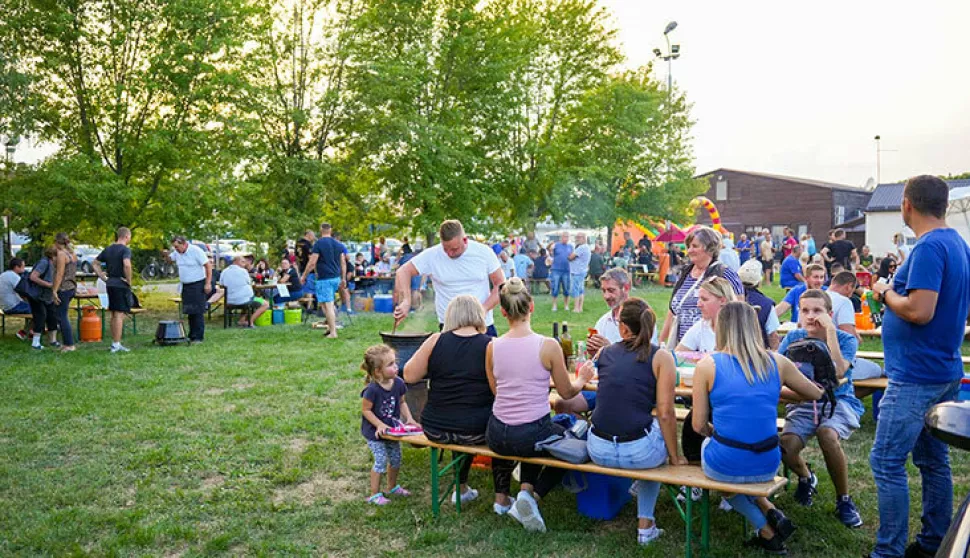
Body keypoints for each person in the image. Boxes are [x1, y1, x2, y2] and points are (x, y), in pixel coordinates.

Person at [869, 175, 970, 558]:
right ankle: (933, 543)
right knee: (932, 458)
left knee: (886, 460)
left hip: (917, 375)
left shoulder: (929, 247)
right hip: (943, 367)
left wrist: (886, 292)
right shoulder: (958, 244)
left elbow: (919, 310)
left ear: (907, 204)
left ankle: (888, 551)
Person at [692, 302, 823, 554]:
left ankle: (765, 529)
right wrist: (776, 391)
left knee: (724, 480)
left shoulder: (707, 365)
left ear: (721, 327)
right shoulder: (777, 362)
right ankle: (771, 509)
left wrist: (715, 435)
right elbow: (814, 393)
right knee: (741, 466)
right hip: (767, 462)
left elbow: (698, 425)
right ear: (754, 327)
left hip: (725, 462)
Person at [486, 278, 594, 532]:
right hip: (530, 433)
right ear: (531, 306)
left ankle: (514, 495)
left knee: (534, 433)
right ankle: (530, 496)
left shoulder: (492, 346)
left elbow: (496, 390)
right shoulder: (547, 345)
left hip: (496, 433)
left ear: (502, 312)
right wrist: (582, 379)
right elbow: (566, 392)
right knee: (566, 441)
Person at [403, 295, 516, 512]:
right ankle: (501, 499)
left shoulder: (436, 340)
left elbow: (409, 374)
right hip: (477, 429)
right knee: (502, 429)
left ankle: (461, 488)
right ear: (478, 315)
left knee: (457, 416)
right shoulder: (491, 345)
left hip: (436, 427)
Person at [587, 298, 684, 546]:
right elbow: (666, 413)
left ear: (622, 328)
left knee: (644, 428)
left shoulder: (605, 353)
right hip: (638, 453)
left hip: (597, 448)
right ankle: (645, 525)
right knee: (656, 439)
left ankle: (635, 488)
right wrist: (675, 457)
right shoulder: (661, 357)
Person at [778, 289, 864, 528]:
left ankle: (844, 499)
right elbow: (774, 369)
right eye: (805, 310)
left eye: (817, 311)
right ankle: (807, 477)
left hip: (838, 401)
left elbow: (837, 372)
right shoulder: (793, 337)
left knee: (827, 434)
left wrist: (830, 333)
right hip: (803, 403)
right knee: (786, 448)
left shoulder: (845, 339)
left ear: (829, 313)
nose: (810, 316)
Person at [393, 220, 505, 336]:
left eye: (454, 249)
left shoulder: (484, 253)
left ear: (465, 240)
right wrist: (406, 301)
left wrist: (484, 309)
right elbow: (403, 272)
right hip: (449, 327)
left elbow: (500, 284)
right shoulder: (433, 255)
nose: (449, 254)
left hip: (482, 325)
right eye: (445, 249)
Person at [553, 268, 632, 416]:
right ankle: (586, 435)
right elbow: (594, 362)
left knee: (604, 411)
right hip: (601, 387)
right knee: (562, 403)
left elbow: (643, 362)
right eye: (603, 291)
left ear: (626, 288)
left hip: (627, 390)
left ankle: (595, 431)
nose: (606, 296)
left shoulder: (639, 320)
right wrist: (592, 354)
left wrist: (609, 349)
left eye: (611, 290)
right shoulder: (603, 321)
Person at [659, 226, 744, 347]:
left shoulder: (724, 273)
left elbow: (739, 311)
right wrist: (661, 341)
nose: (689, 251)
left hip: (712, 347)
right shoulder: (685, 273)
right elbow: (673, 311)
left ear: (709, 248)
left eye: (695, 246)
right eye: (689, 247)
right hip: (683, 348)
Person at [360, 344, 416, 506]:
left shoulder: (398, 383)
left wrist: (410, 419)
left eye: (395, 362)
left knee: (396, 458)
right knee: (381, 460)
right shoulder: (372, 389)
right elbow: (366, 410)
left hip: (392, 430)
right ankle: (374, 494)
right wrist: (378, 425)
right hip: (375, 433)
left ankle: (392, 487)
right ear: (378, 371)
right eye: (390, 364)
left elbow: (402, 402)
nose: (396, 366)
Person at [301, 223, 346, 339]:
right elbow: (343, 262)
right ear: (331, 230)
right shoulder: (338, 244)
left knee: (328, 305)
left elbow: (312, 263)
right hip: (336, 278)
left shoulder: (318, 244)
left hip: (324, 278)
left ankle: (333, 332)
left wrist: (304, 276)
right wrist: (344, 278)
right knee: (324, 304)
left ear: (321, 230)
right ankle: (330, 327)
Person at [93, 227, 133, 353]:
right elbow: (127, 264)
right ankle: (116, 344)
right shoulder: (125, 250)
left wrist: (103, 277)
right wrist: (129, 280)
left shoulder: (108, 249)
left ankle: (116, 341)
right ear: (126, 236)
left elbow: (95, 263)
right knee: (119, 314)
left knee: (114, 313)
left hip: (110, 283)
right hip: (120, 283)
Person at [168, 235, 212, 343]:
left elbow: (208, 266)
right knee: (190, 310)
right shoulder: (177, 253)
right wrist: (166, 255)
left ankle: (198, 336)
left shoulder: (196, 251)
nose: (176, 249)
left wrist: (208, 283)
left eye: (177, 247)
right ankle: (192, 334)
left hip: (197, 283)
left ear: (184, 244)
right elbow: (170, 259)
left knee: (198, 311)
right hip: (186, 285)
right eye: (174, 247)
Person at [675, 277, 737, 353]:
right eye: (699, 299)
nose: (698, 304)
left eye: (704, 299)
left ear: (722, 301)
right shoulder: (702, 326)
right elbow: (678, 355)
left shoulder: (739, 329)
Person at [737, 260, 781, 350]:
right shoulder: (767, 304)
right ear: (759, 281)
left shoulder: (728, 298)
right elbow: (773, 336)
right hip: (759, 354)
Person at [220, 256, 269, 327]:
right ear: (235, 262)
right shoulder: (243, 271)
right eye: (242, 262)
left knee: (247, 299)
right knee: (266, 304)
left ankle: (242, 321)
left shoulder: (224, 271)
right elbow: (249, 282)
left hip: (229, 300)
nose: (244, 264)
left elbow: (221, 284)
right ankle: (250, 322)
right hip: (245, 300)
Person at [27, 246, 59, 350]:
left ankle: (53, 341)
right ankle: (35, 343)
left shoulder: (53, 264)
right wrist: (48, 285)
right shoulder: (44, 263)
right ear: (53, 255)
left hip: (48, 296)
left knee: (52, 317)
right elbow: (33, 276)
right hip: (38, 296)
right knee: (40, 317)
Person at [51, 233, 78, 352]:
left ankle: (69, 344)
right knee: (62, 315)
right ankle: (66, 342)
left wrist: (54, 291)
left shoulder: (62, 254)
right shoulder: (72, 254)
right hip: (72, 287)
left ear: (57, 242)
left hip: (64, 288)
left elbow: (59, 274)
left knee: (62, 316)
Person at [0, 258, 31, 338]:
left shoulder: (4, 274)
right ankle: (25, 332)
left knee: (33, 307)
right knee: (40, 309)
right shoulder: (14, 276)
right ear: (17, 267)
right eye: (23, 267)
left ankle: (32, 330)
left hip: (4, 306)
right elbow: (25, 291)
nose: (24, 269)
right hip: (13, 307)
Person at [826, 271, 860, 338]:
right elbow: (848, 334)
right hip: (833, 345)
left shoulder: (818, 297)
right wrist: (857, 339)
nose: (850, 296)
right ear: (849, 286)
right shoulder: (844, 302)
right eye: (852, 291)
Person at [549, 232, 572, 312]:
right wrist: (551, 247)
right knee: (555, 288)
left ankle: (566, 305)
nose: (565, 238)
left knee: (566, 288)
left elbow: (572, 257)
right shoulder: (556, 245)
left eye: (567, 236)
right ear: (561, 237)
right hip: (556, 269)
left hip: (566, 270)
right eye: (564, 236)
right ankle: (554, 305)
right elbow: (550, 252)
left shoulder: (570, 246)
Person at [568, 232, 591, 312]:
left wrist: (569, 255)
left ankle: (576, 308)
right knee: (581, 290)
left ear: (584, 238)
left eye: (579, 237)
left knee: (575, 290)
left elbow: (571, 257)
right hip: (582, 270)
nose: (577, 239)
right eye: (576, 237)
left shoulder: (581, 248)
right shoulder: (587, 247)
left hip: (577, 272)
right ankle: (580, 308)